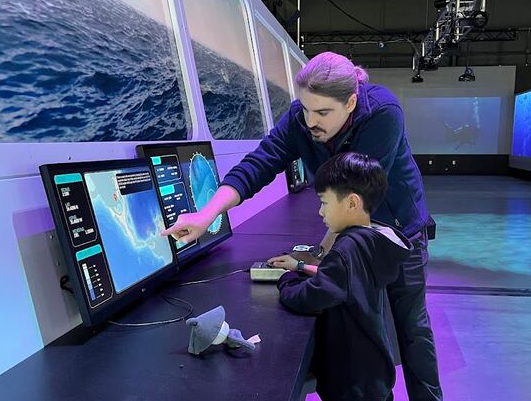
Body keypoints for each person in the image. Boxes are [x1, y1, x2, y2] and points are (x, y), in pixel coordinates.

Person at [162, 51, 442, 400]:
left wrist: (320, 254)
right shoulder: (301, 118)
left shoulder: (383, 113)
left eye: (322, 112)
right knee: (364, 328)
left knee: (412, 328)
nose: (310, 122)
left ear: (351, 101)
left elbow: (353, 195)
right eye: (305, 109)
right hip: (352, 233)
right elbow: (260, 163)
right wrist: (207, 216)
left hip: (398, 233)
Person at [276, 152, 410, 400]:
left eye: (324, 203)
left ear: (351, 203)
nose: (320, 212)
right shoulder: (371, 239)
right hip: (372, 373)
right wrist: (301, 267)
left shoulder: (346, 250)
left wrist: (286, 281)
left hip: (351, 381)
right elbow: (344, 280)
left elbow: (310, 297)